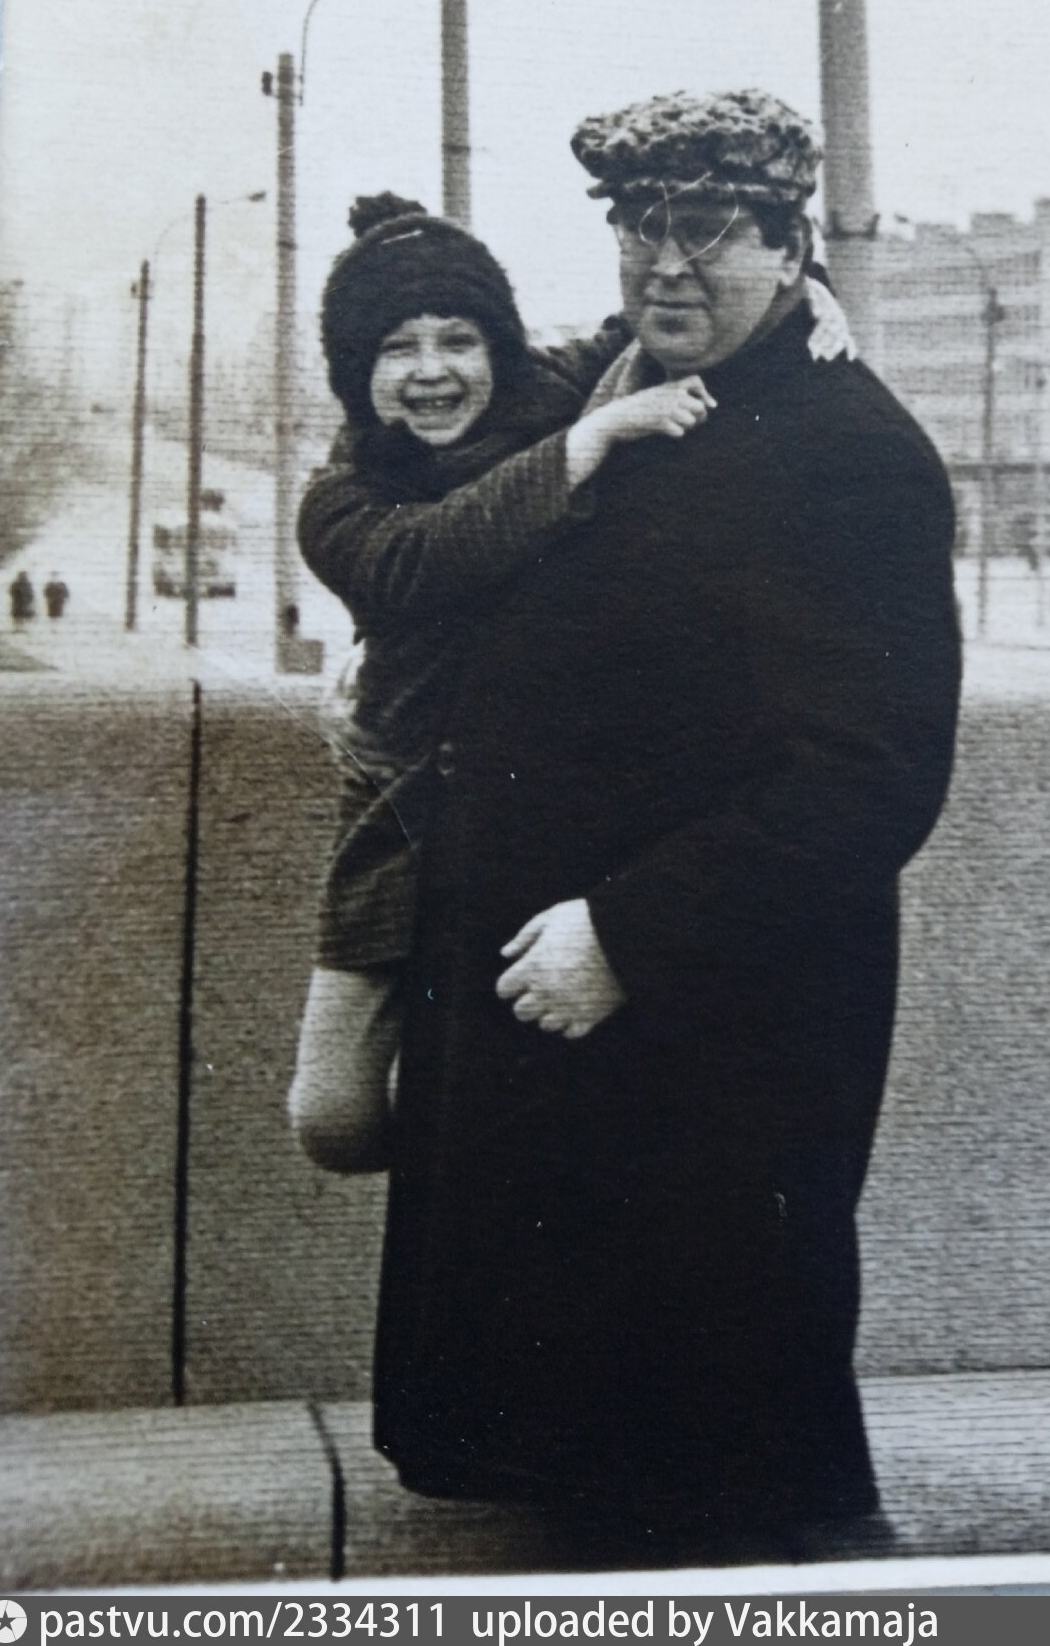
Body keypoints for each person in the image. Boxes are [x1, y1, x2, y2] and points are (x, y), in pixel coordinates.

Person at [374, 89, 962, 1564]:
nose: (667, 262)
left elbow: (872, 772)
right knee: (599, 1456)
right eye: (641, 227)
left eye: (708, 229)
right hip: (579, 1024)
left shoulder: (850, 448)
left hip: (708, 1028)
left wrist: (630, 933)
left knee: (723, 1469)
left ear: (789, 245)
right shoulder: (613, 393)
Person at [290, 192, 852, 1173]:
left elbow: (675, 313)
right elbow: (427, 558)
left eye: (458, 339)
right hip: (394, 812)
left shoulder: (547, 389)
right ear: (353, 370)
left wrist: (807, 292)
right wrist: (593, 442)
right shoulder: (339, 499)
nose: (431, 371)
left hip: (522, 810)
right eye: (395, 349)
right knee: (332, 1117)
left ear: (499, 345)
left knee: (504, 1095)